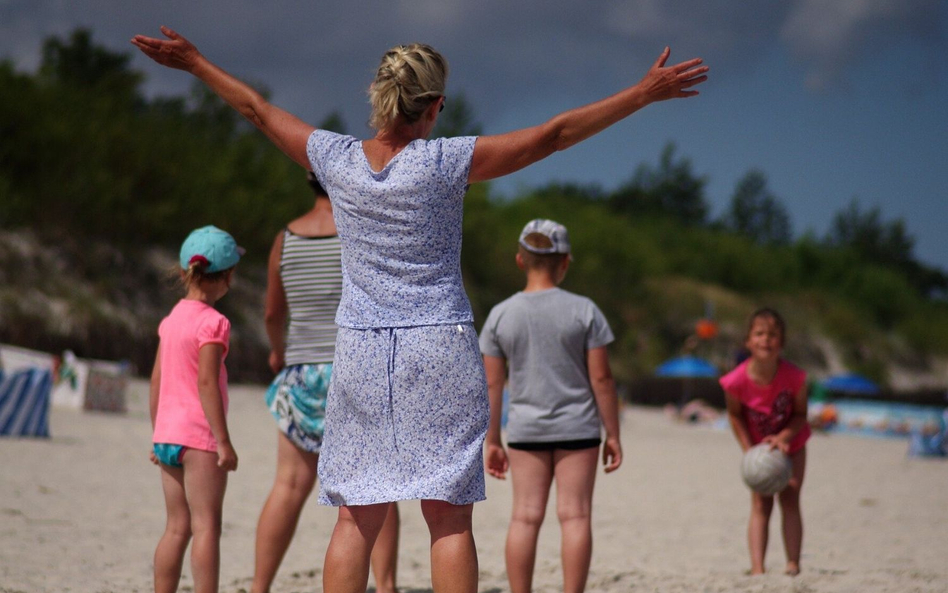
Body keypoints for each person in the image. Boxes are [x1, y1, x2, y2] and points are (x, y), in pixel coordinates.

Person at [131, 27, 708, 593]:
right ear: (433, 106)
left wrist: (196, 63)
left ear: (379, 98)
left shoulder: (336, 159)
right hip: (437, 345)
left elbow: (257, 110)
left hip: (360, 347)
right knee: (449, 515)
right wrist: (640, 94)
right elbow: (552, 135)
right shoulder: (444, 162)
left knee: (357, 514)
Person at [252, 173, 400, 593]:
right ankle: (386, 586)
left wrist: (279, 352)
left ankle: (259, 586)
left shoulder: (285, 238)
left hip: (301, 373)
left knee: (288, 486)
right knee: (376, 486)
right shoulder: (358, 231)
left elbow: (272, 312)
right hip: (354, 368)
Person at [479, 219, 623, 593]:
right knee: (575, 516)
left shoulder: (501, 315)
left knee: (524, 518)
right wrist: (614, 433)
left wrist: (492, 438)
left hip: (526, 428)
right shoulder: (585, 310)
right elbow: (602, 380)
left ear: (520, 260)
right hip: (579, 427)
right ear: (564, 263)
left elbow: (493, 383)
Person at [149, 225, 242, 593]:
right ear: (226, 277)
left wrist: (158, 433)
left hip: (168, 435)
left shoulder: (171, 319)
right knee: (206, 527)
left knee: (175, 527)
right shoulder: (214, 323)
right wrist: (223, 441)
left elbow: (156, 382)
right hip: (198, 438)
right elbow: (207, 384)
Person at [719, 307, 809, 576]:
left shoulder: (795, 378)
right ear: (748, 341)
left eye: (772, 335)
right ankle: (757, 567)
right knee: (761, 503)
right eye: (759, 334)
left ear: (781, 342)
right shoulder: (735, 381)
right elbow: (735, 416)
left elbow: (801, 414)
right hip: (758, 449)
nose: (765, 340)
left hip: (792, 444)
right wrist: (750, 452)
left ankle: (792, 563)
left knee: (790, 497)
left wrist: (783, 438)